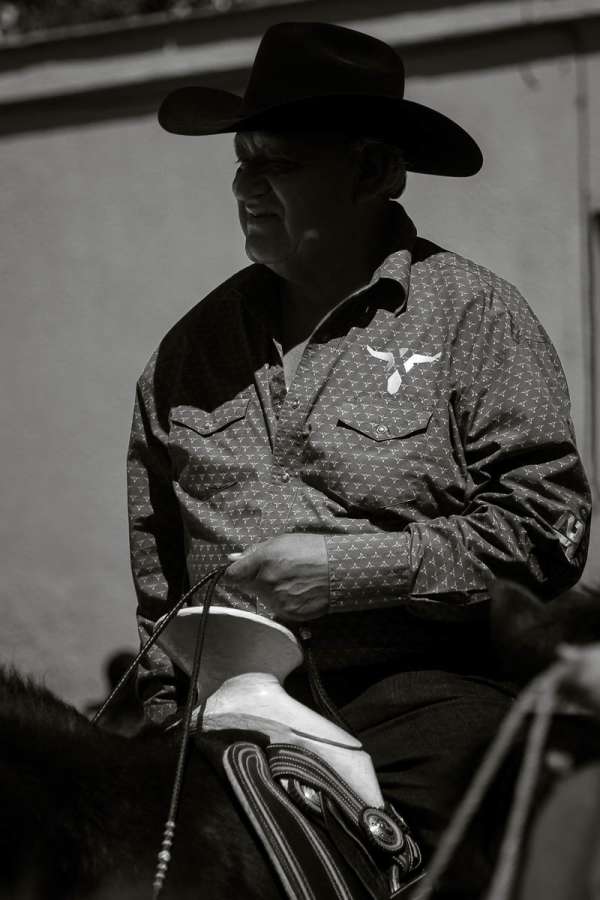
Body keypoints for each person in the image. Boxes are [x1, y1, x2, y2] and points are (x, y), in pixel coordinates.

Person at [127, 21, 591, 895]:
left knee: (461, 862)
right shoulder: (185, 355)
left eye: (282, 162)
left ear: (376, 172)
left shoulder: (472, 317)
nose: (246, 185)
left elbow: (547, 531)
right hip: (220, 709)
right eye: (242, 159)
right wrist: (164, 717)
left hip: (421, 692)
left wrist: (349, 572)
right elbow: (157, 575)